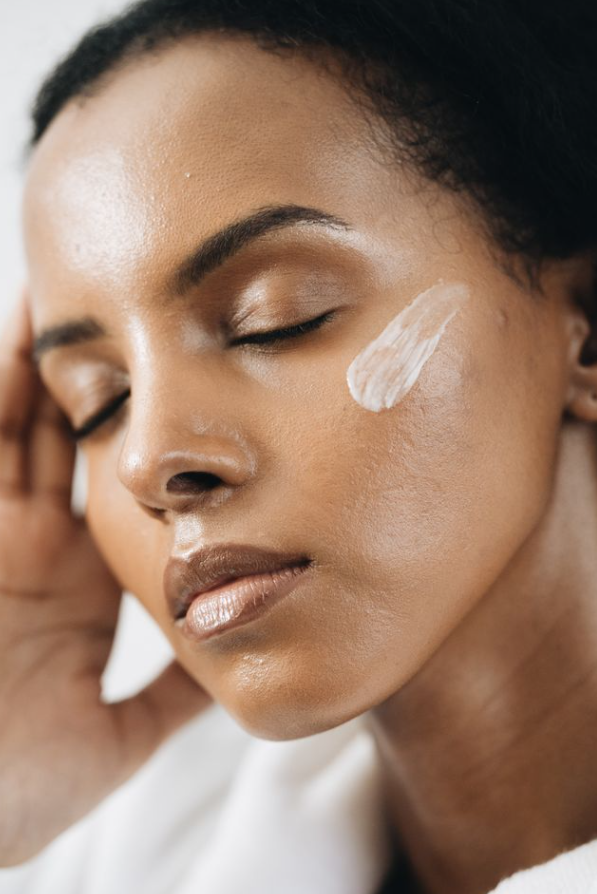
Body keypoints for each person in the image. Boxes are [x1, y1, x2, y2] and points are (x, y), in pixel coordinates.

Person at [1, 0, 597, 891]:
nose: (147, 461)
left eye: (274, 320)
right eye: (100, 402)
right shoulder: (122, 852)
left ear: (584, 327)